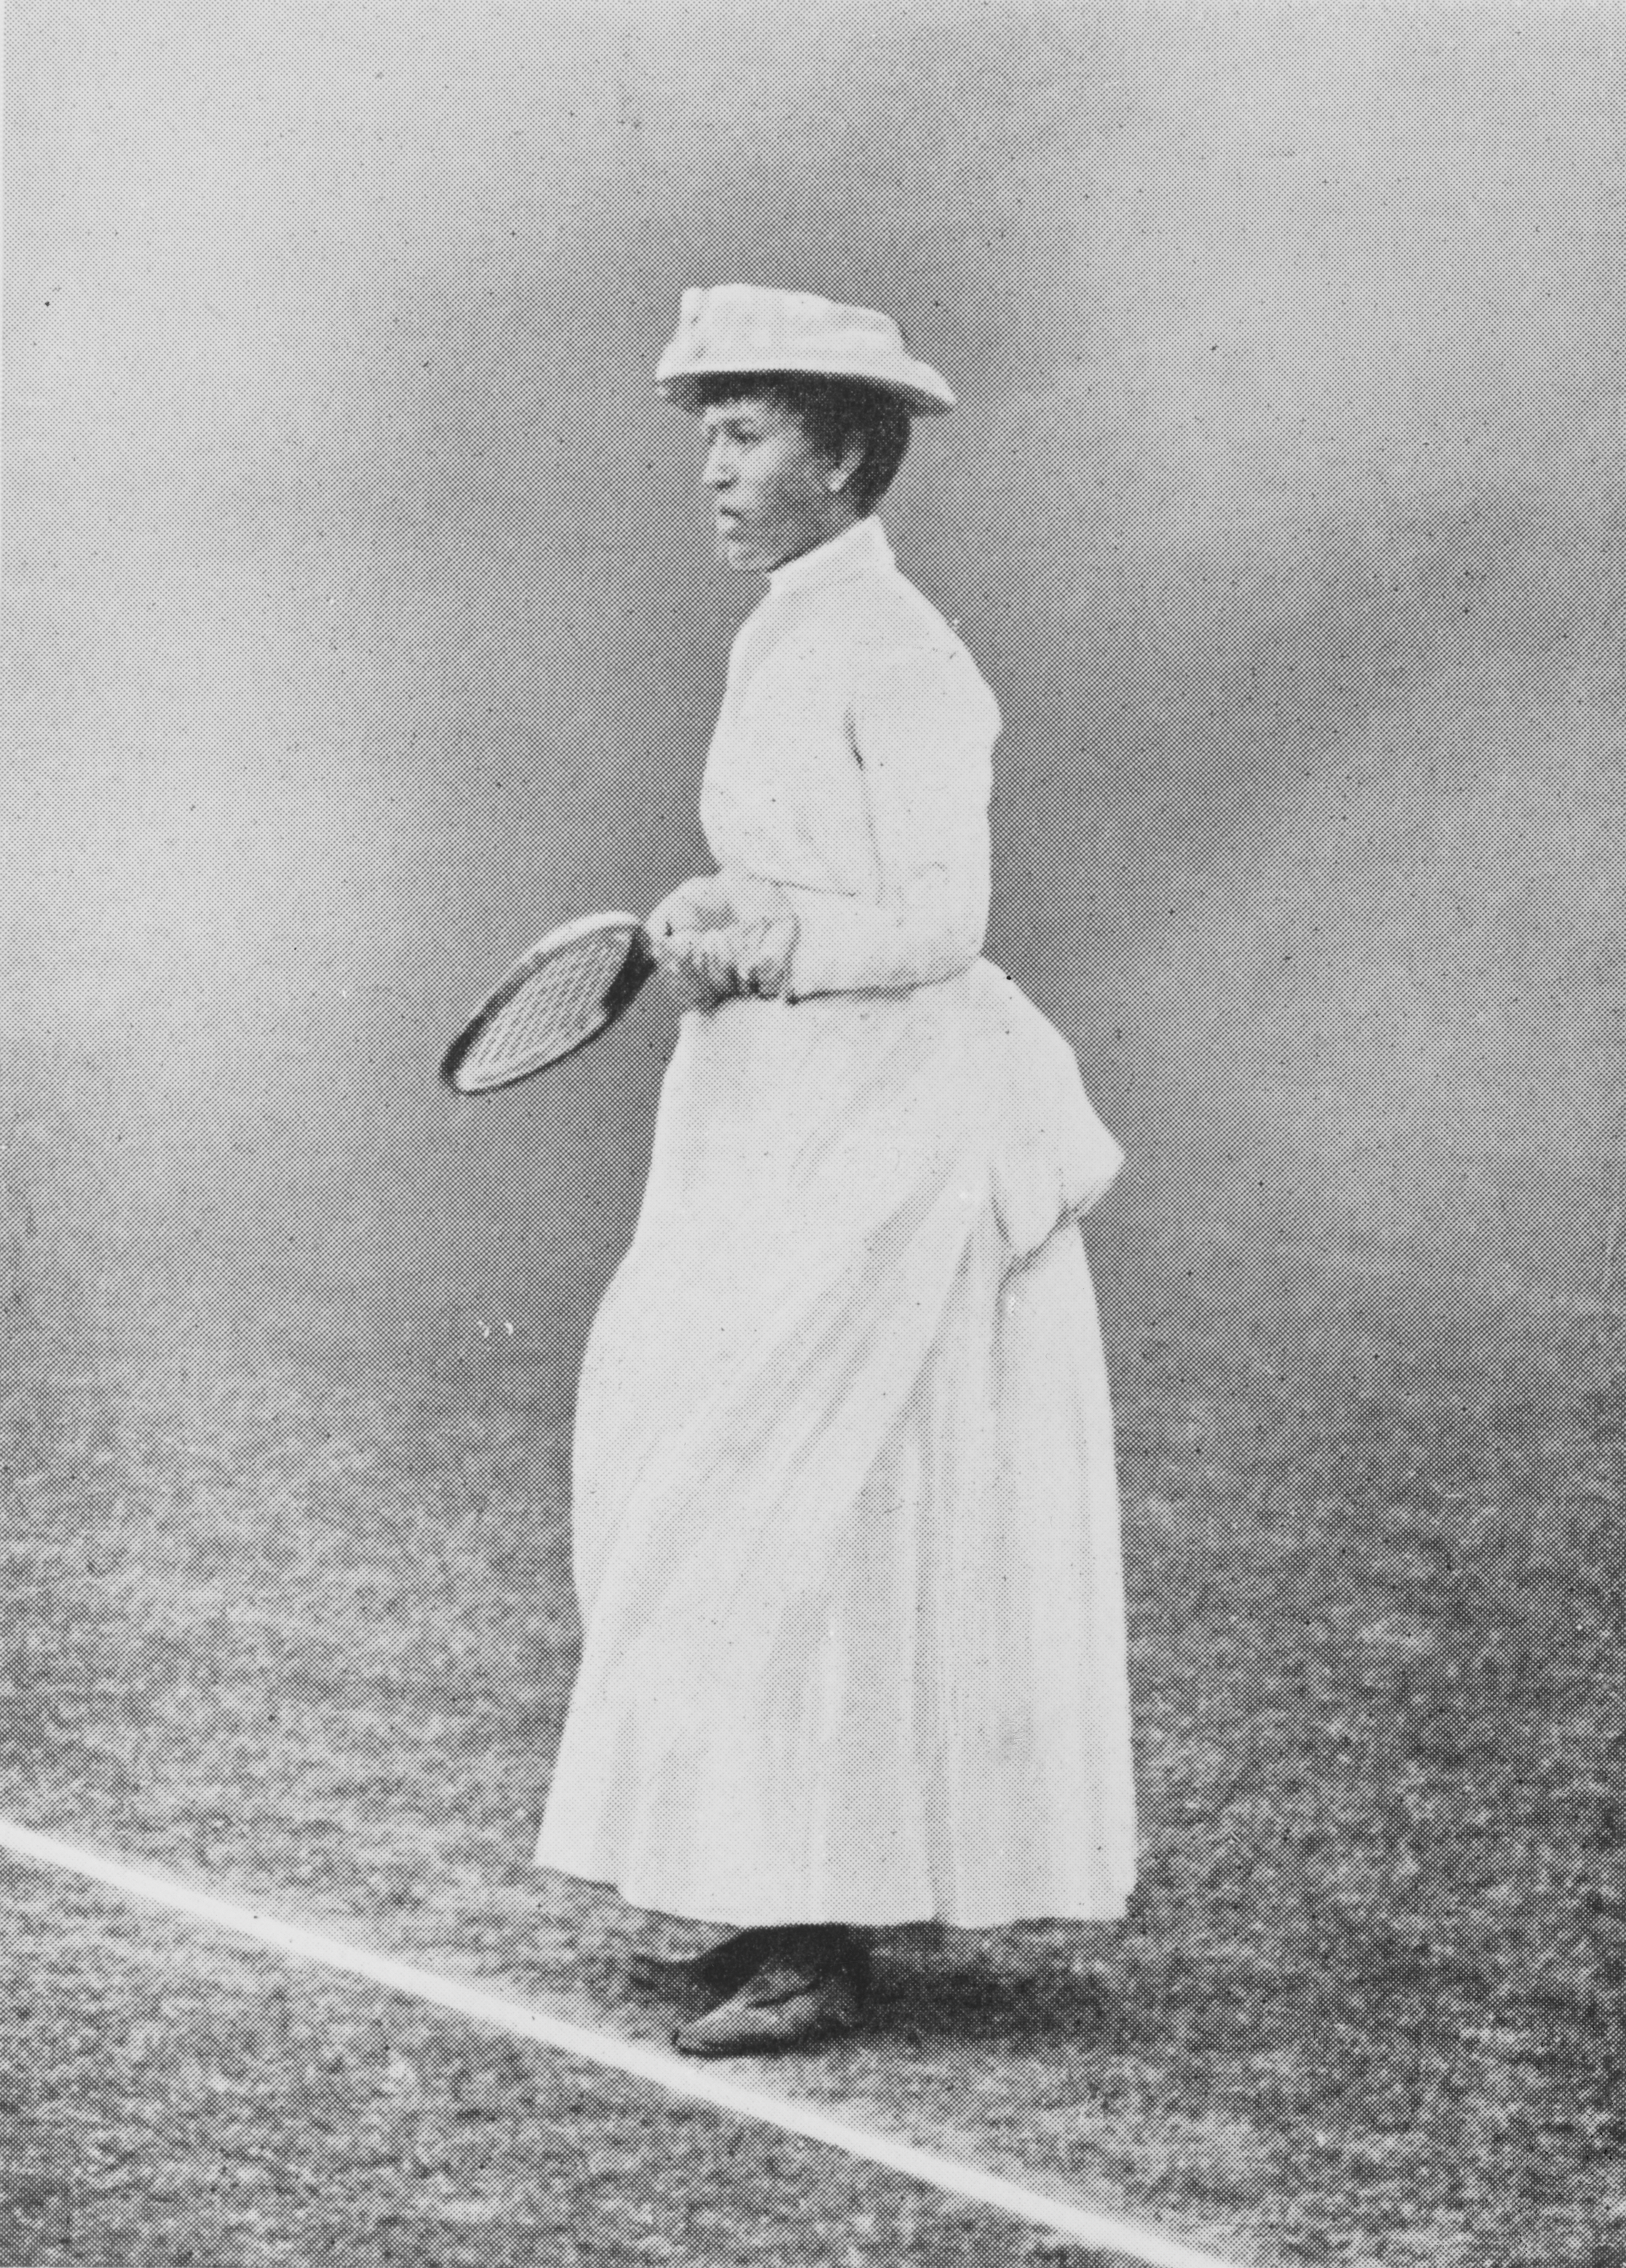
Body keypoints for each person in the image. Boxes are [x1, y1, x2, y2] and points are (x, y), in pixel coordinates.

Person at [535, 285, 1137, 2056]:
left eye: (746, 433)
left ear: (847, 455)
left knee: (813, 1508)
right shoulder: (785, 633)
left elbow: (944, 919)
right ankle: (762, 1885)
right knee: (692, 1467)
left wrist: (776, 937)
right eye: (708, 435)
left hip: (898, 1132)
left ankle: (815, 1935)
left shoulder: (907, 653)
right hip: (774, 1119)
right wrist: (736, 907)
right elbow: (809, 870)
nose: (712, 470)